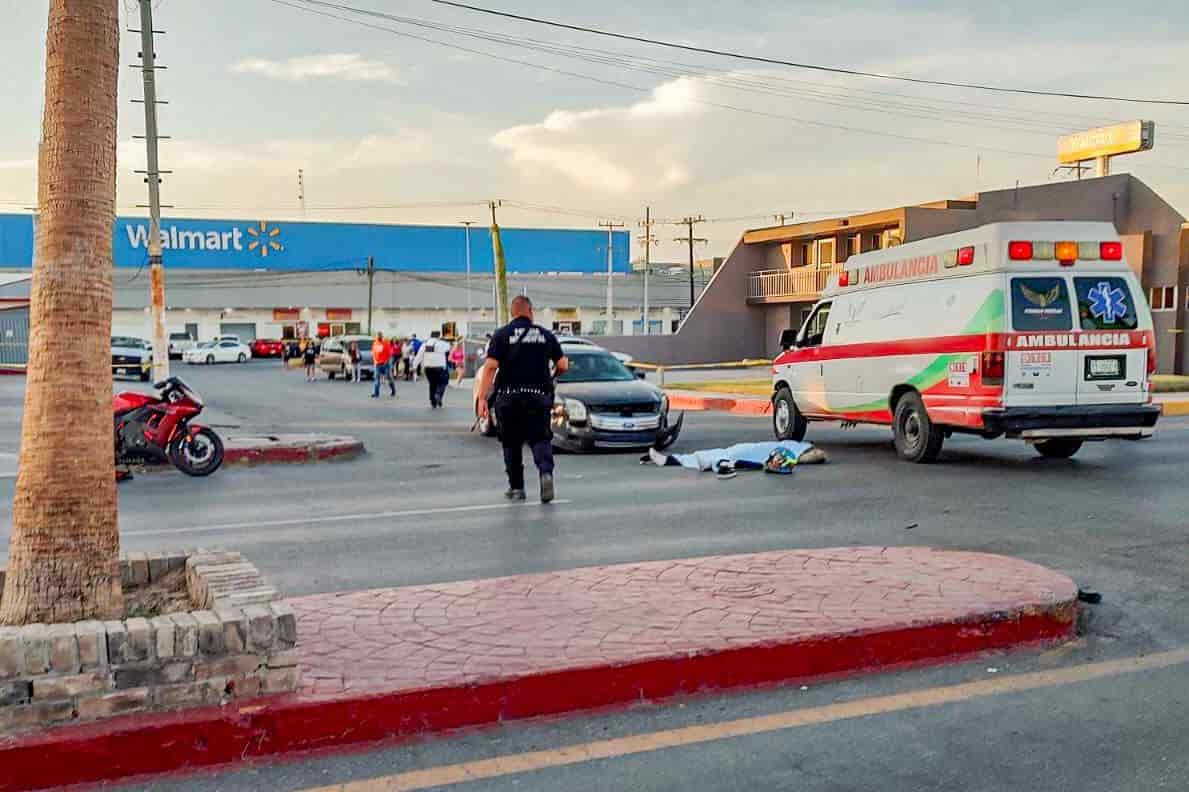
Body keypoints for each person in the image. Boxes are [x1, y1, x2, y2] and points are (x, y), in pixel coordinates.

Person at [477, 296, 568, 503]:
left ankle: (517, 488)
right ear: (531, 312)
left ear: (512, 313)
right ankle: (545, 473)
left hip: (508, 398)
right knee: (540, 438)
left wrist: (483, 398)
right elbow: (563, 364)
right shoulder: (546, 335)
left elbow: (491, 367)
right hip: (538, 397)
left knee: (511, 442)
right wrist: (552, 377)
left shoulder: (501, 335)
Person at [414, 331, 451, 408]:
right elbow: (449, 347)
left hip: (428, 368)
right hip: (439, 367)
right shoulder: (442, 344)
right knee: (443, 382)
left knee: (432, 384)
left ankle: (433, 401)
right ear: (438, 336)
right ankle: (438, 395)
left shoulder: (425, 344)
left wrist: (414, 366)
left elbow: (419, 356)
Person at [371, 332, 396, 398]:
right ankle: (376, 393)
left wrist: (386, 362)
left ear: (382, 336)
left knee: (389, 377)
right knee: (377, 378)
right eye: (377, 336)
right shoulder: (375, 343)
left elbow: (389, 354)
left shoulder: (386, 343)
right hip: (378, 364)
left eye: (380, 336)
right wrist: (375, 361)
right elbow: (373, 353)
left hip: (386, 363)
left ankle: (393, 390)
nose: (378, 337)